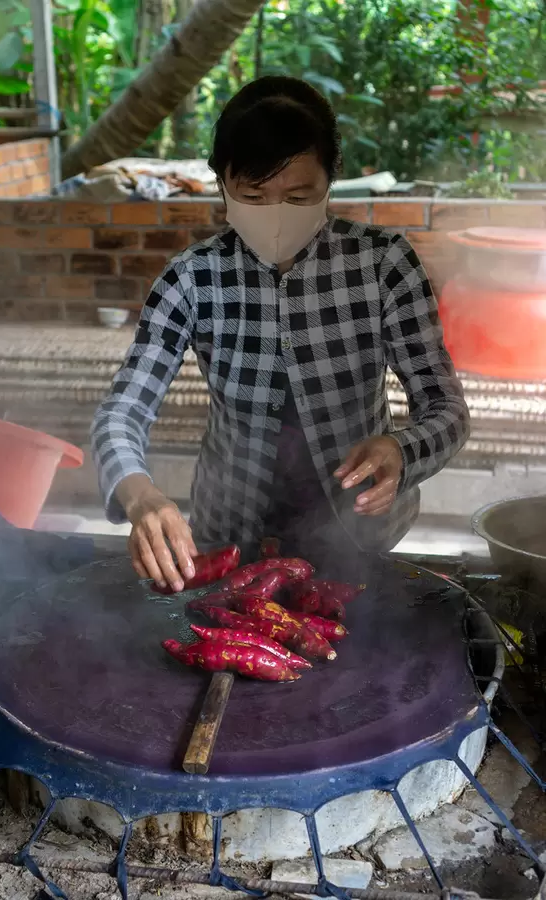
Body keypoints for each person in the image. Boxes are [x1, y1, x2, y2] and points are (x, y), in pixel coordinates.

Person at [91, 76, 470, 592]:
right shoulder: (192, 277)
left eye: (298, 196)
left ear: (330, 182)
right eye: (253, 195)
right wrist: (140, 496)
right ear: (222, 183)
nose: (275, 217)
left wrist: (402, 451)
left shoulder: (383, 265)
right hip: (229, 532)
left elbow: (445, 408)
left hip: (359, 532)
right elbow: (123, 411)